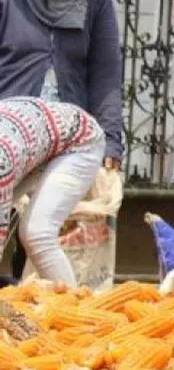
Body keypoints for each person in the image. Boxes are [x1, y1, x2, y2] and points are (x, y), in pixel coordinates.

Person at [0, 0, 131, 283]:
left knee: (41, 236)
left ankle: (48, 313)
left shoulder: (95, 1)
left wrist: (111, 140)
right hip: (13, 133)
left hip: (70, 140)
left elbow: (106, 75)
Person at [0, 97, 107, 286]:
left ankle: (71, 307)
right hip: (32, 140)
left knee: (36, 233)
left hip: (78, 142)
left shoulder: (2, 166)